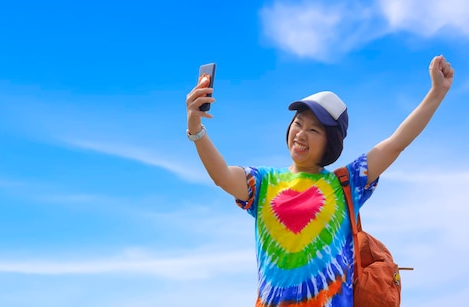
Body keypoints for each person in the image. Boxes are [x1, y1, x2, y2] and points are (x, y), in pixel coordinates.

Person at [184, 55, 454, 306]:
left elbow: (396, 143)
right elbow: (221, 175)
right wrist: (195, 127)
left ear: (331, 143)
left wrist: (437, 92)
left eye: (314, 130)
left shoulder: (346, 183)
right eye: (298, 123)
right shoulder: (262, 182)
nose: (301, 133)